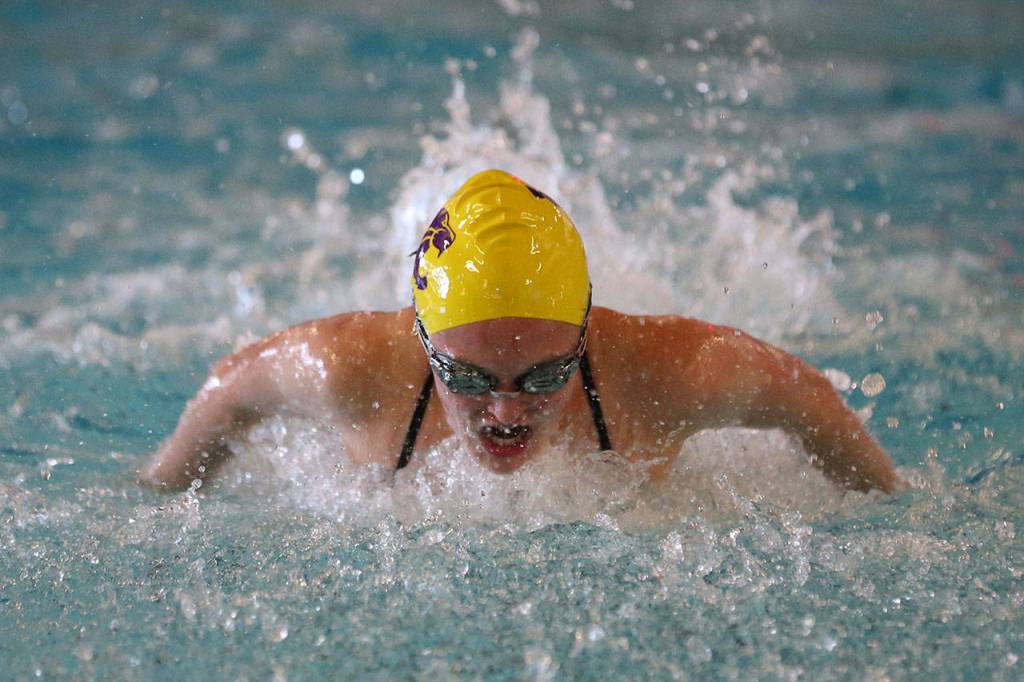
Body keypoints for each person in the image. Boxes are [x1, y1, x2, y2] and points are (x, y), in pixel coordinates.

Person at [142, 169, 903, 493]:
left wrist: (882, 504)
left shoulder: (673, 371)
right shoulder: (352, 369)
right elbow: (229, 385)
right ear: (422, 339)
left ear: (584, 335)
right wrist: (160, 493)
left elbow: (806, 395)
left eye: (543, 376)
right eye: (468, 379)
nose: (506, 413)